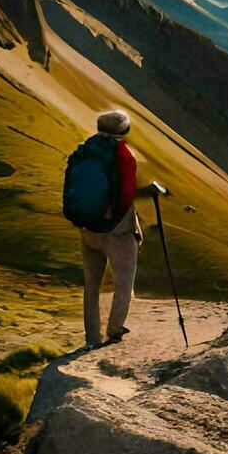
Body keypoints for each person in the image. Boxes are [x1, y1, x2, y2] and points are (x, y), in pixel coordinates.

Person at [80, 109, 146, 348]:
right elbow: (127, 193)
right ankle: (115, 328)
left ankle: (91, 338)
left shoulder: (85, 150)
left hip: (88, 228)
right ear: (123, 130)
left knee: (91, 285)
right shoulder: (123, 155)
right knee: (124, 282)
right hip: (116, 230)